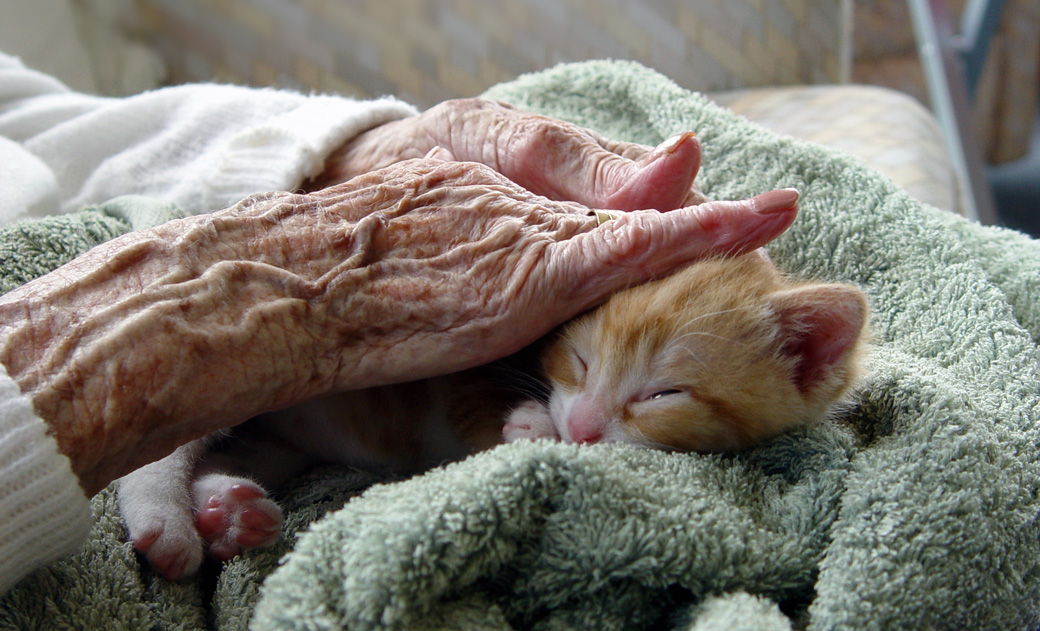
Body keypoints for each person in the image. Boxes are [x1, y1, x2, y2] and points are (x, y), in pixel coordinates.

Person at [0, 51, 799, 594]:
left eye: (654, 393)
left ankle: (234, 468)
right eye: (584, 372)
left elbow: (45, 118)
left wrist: (342, 149)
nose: (584, 419)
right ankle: (185, 458)